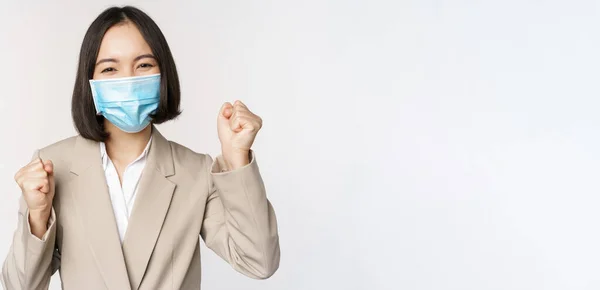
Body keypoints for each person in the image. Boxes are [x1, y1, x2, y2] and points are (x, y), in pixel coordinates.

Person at [1, 6, 280, 290]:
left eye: (144, 65)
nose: (128, 80)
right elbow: (19, 286)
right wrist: (37, 217)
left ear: (163, 74)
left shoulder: (196, 171)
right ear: (91, 83)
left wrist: (237, 159)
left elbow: (258, 262)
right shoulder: (53, 166)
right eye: (110, 68)